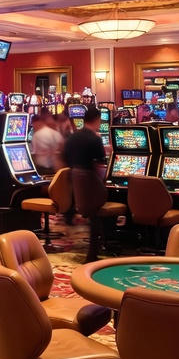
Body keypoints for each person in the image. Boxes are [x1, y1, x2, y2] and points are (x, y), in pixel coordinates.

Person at [63, 108, 110, 261]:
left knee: (93, 212)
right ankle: (107, 241)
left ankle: (101, 244)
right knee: (113, 197)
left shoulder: (72, 138)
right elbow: (101, 166)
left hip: (77, 187)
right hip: (93, 190)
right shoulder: (95, 139)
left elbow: (66, 161)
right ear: (97, 119)